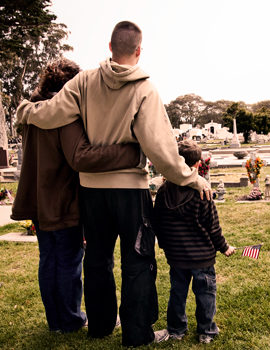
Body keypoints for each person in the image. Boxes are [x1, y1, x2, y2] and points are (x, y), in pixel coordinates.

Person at [16, 21, 211, 347]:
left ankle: (100, 326)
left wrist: (25, 110)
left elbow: (50, 113)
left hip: (91, 192)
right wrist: (191, 177)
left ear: (109, 47)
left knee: (97, 260)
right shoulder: (146, 89)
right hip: (130, 191)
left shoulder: (83, 81)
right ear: (138, 50)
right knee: (137, 260)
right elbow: (161, 150)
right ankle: (136, 334)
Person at [11, 58, 141, 333]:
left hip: (39, 197)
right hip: (62, 197)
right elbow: (81, 157)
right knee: (69, 260)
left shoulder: (34, 110)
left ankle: (56, 321)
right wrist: (131, 152)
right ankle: (70, 319)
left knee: (49, 259)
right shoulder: (62, 112)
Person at [154, 140, 235, 344]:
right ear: (198, 164)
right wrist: (224, 247)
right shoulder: (203, 191)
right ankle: (206, 331)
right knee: (205, 294)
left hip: (177, 256)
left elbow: (158, 224)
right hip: (202, 257)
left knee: (177, 293)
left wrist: (165, 246)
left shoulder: (163, 192)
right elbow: (212, 226)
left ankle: (176, 329)